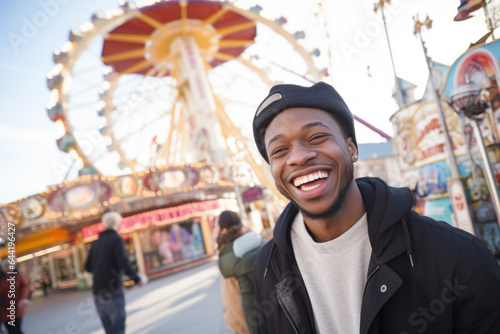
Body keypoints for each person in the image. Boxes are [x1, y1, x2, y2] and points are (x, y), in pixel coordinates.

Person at [251, 82, 500, 333]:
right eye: (280, 150)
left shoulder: (459, 259)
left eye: (317, 137)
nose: (298, 157)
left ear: (352, 148)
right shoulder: (267, 268)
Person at [84, 211, 148, 334]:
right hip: (112, 291)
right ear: (117, 223)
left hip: (98, 293)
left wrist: (100, 266)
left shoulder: (95, 243)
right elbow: (123, 262)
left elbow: (87, 267)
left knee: (109, 330)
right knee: (118, 328)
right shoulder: (116, 239)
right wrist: (137, 279)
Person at [217, 210, 264, 334]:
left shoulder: (231, 255)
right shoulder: (253, 241)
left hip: (244, 320)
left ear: (223, 230)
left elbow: (248, 299)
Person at [0, 258, 30, 334]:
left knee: (16, 331)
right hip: (3, 310)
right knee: (11, 331)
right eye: (6, 265)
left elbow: (25, 286)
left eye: (10, 265)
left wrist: (24, 298)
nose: (8, 267)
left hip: (16, 308)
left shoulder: (19, 275)